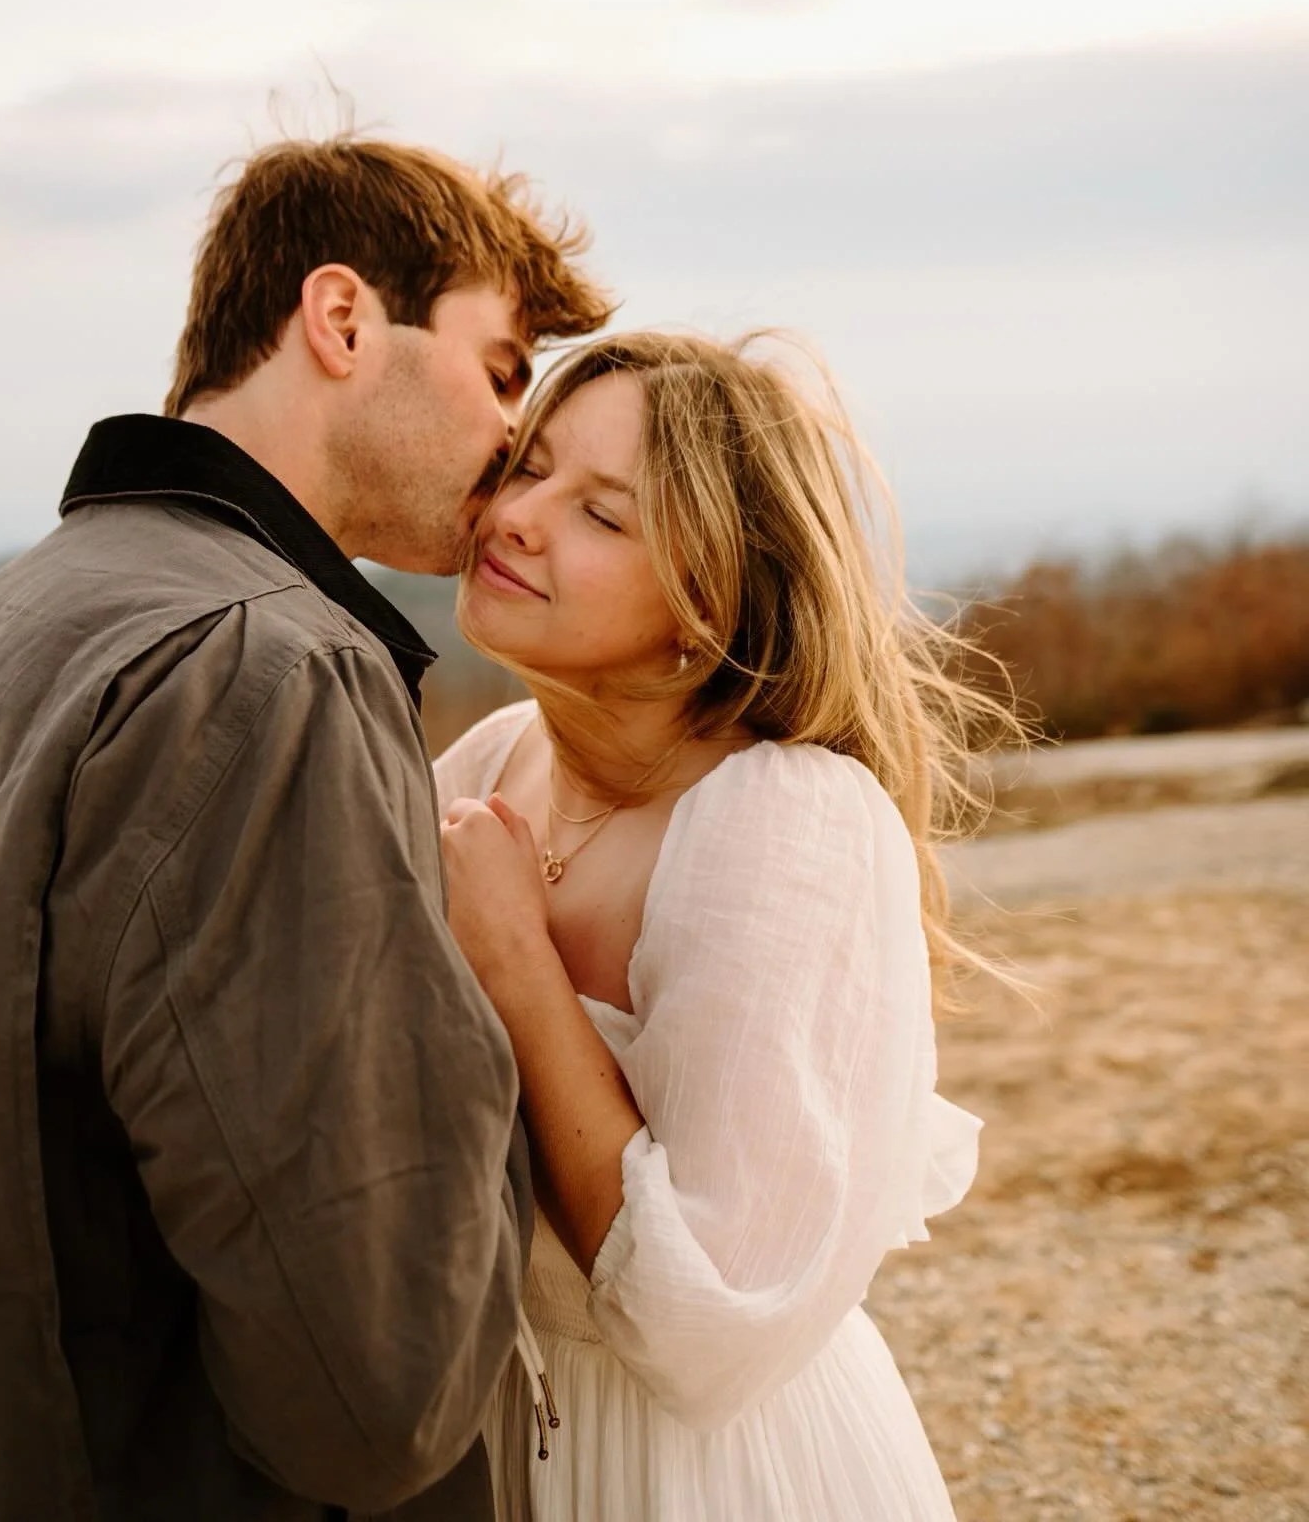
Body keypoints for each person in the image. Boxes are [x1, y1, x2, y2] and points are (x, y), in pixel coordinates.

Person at [0, 134, 613, 1521]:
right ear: (342, 319)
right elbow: (375, 1392)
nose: (513, 439)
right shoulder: (270, 675)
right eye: (501, 367)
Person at [434, 331, 1019, 1521]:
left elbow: (706, 1326)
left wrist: (514, 960)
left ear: (708, 596)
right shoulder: (494, 760)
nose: (520, 517)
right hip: (503, 1436)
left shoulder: (782, 821)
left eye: (602, 514)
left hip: (698, 1470)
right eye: (531, 465)